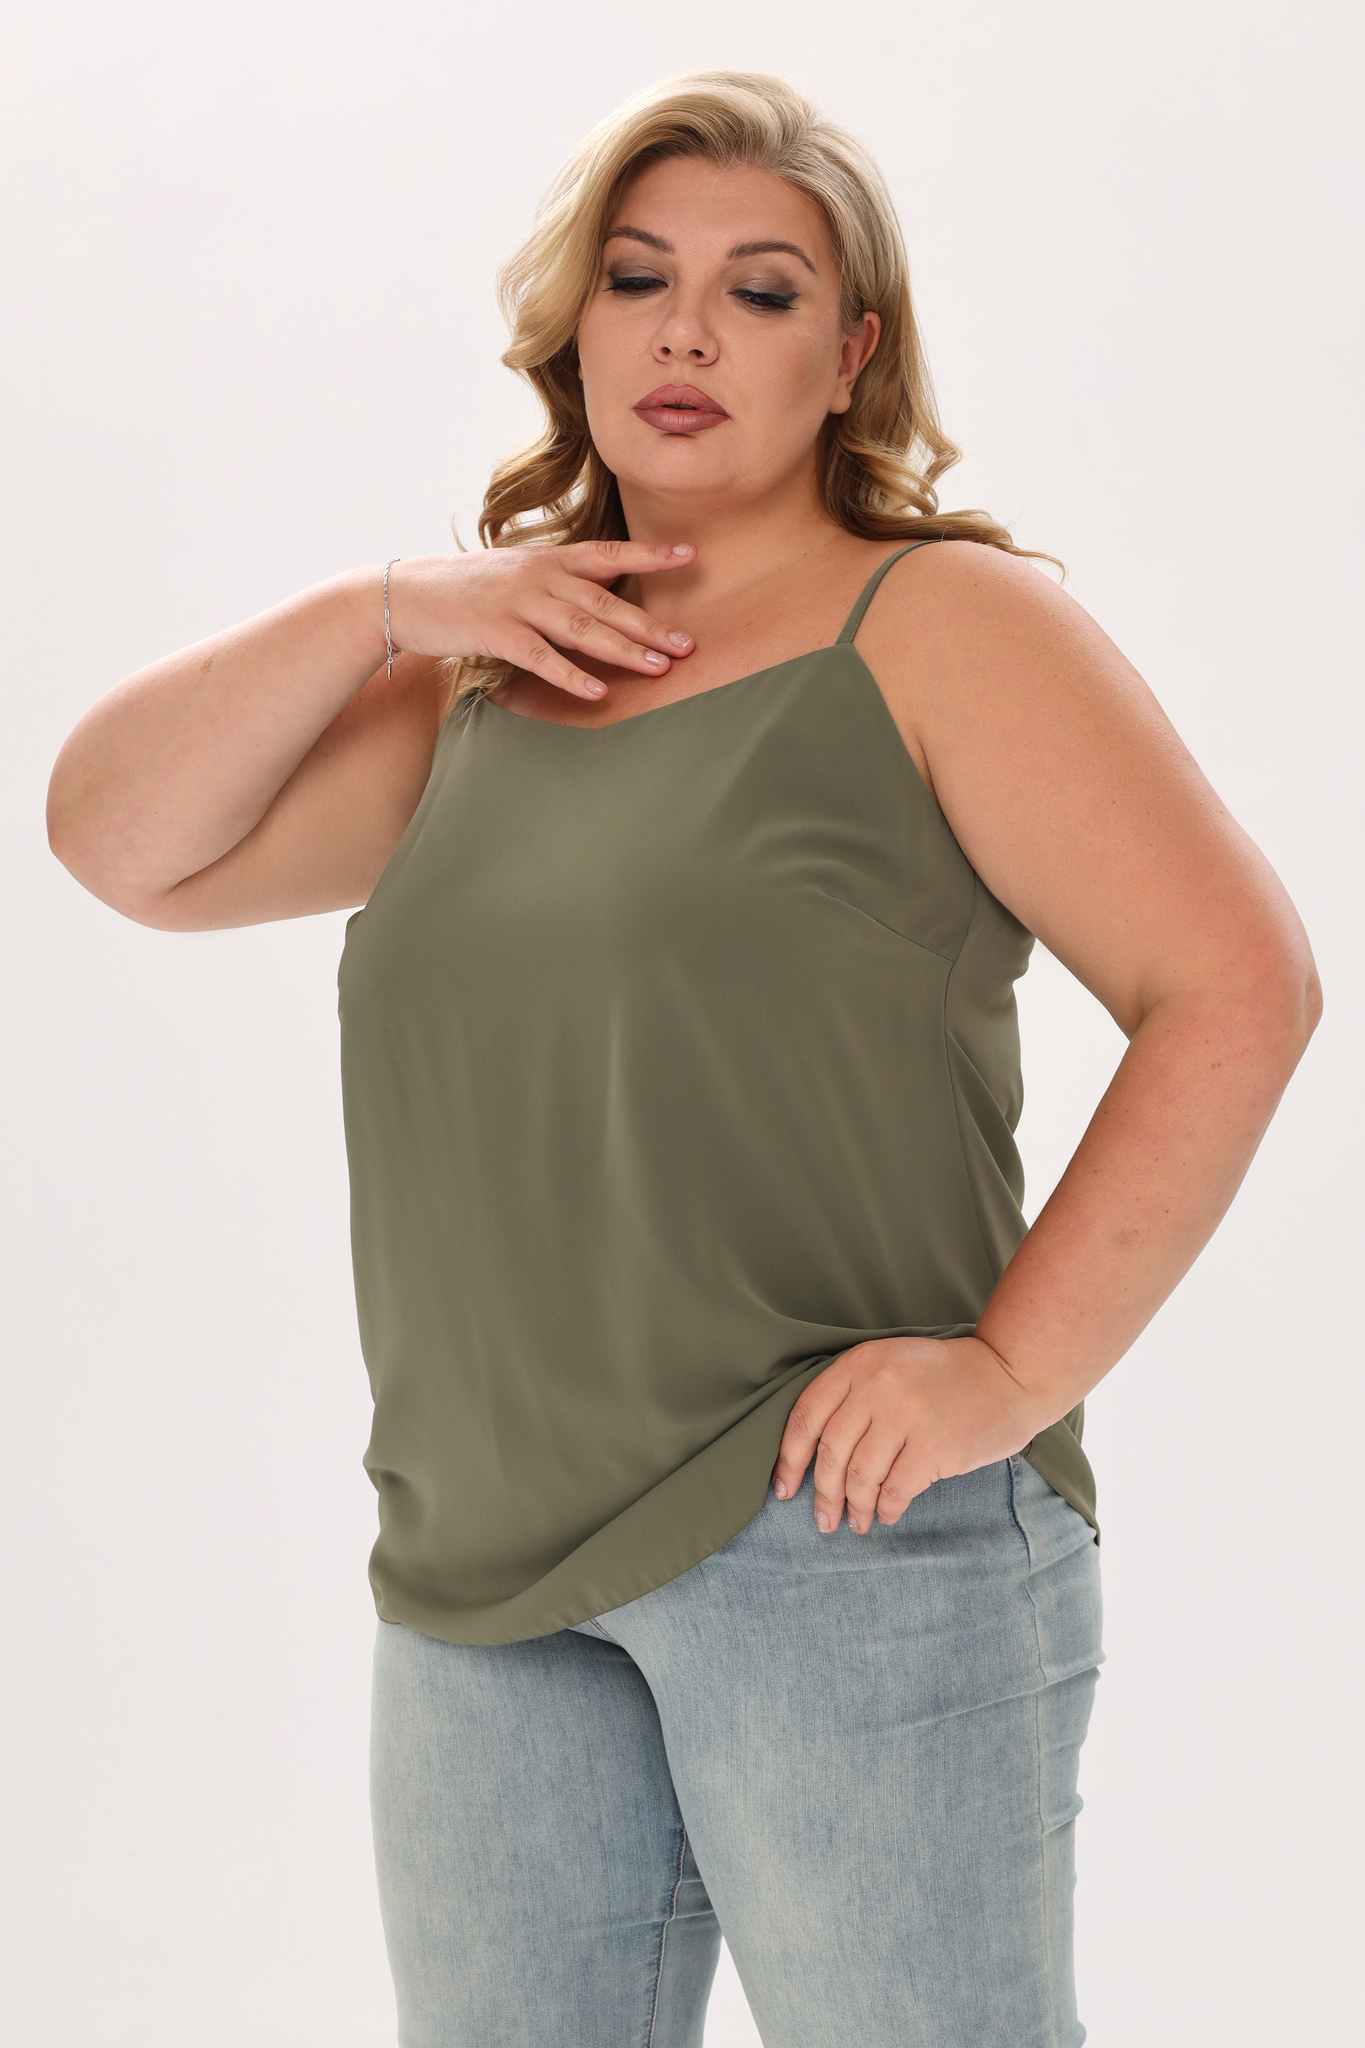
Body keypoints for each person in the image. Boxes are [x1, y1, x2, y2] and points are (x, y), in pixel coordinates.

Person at [46, 68, 1320, 2048]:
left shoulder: (939, 623)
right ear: (573, 329)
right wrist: (389, 605)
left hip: (839, 1536)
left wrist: (1008, 1370)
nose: (687, 332)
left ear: (851, 354)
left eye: (761, 289)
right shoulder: (488, 675)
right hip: (476, 1567)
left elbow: (1235, 983)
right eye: (637, 279)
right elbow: (119, 841)